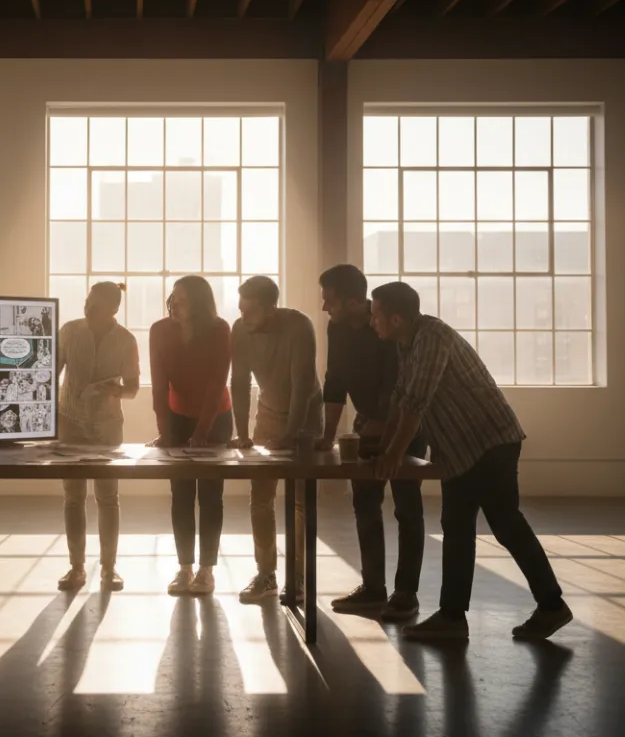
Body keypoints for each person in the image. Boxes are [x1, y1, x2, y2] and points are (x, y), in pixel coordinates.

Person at [370, 281, 572, 641]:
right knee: (457, 529)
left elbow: (415, 405)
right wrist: (384, 453)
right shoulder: (408, 343)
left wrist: (392, 457)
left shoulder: (432, 338)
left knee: (506, 525)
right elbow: (400, 400)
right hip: (461, 450)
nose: (373, 323)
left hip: (489, 442)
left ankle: (552, 606)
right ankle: (452, 618)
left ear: (396, 318)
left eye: (376, 316)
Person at [318, 264, 428, 621]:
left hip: (407, 424)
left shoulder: (386, 325)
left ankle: (406, 594)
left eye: (329, 301)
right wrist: (327, 435)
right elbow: (334, 381)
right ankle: (373, 588)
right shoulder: (337, 327)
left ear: (353, 301)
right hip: (368, 424)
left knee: (406, 508)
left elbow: (394, 385)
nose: (324, 308)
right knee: (365, 504)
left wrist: (381, 429)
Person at [228, 276, 324, 605]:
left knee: (299, 500)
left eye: (251, 312)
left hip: (306, 415)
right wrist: (241, 432)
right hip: (267, 413)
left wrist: (293, 433)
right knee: (261, 498)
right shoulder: (239, 329)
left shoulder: (299, 326)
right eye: (240, 310)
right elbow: (238, 382)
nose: (244, 318)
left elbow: (301, 384)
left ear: (272, 308)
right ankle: (266, 574)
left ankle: (297, 578)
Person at [151, 275, 234, 596]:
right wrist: (164, 431)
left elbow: (217, 383)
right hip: (177, 415)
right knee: (181, 495)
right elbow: (159, 385)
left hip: (216, 418)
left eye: (181, 300)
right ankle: (185, 568)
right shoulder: (160, 330)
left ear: (199, 305)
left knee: (211, 496)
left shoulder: (219, 329)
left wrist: (202, 432)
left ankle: (207, 571)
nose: (173, 305)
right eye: (172, 298)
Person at [55, 281, 140, 592]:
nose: (88, 308)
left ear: (113, 309)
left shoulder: (127, 341)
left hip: (107, 426)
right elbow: (49, 374)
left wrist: (113, 390)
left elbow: (132, 388)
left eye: (96, 304)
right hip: (70, 423)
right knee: (73, 497)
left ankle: (108, 569)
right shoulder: (69, 331)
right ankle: (76, 568)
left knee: (108, 498)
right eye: (88, 301)